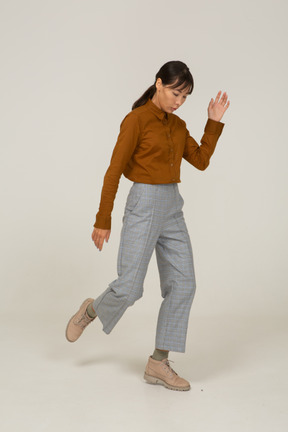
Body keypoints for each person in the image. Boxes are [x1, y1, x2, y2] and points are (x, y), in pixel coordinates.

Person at [65, 60, 230, 391]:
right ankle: (92, 309)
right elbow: (114, 170)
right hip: (143, 203)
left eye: (185, 97)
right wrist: (103, 218)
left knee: (184, 284)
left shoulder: (179, 125)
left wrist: (212, 123)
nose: (178, 101)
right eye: (174, 92)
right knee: (129, 288)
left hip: (172, 206)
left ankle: (158, 362)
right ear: (158, 84)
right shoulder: (136, 120)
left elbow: (199, 161)